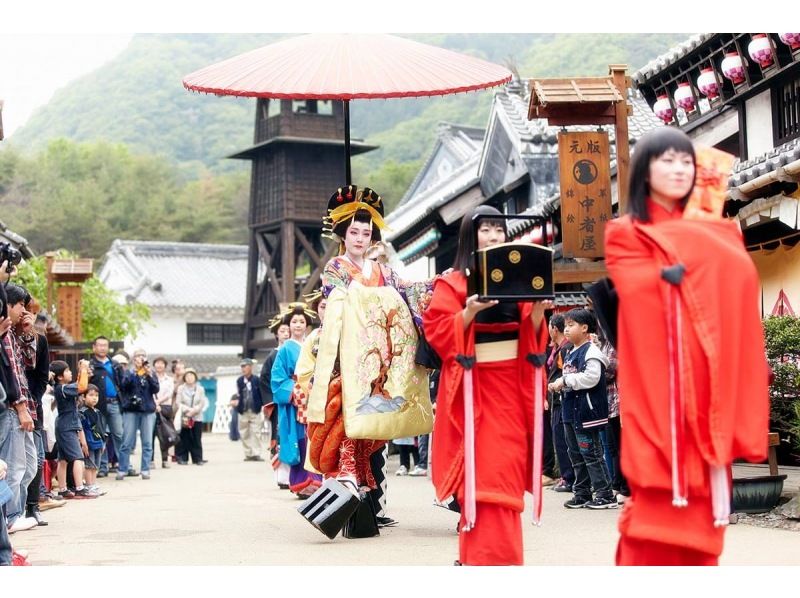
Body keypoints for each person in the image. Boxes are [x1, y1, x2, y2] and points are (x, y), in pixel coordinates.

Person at [604, 126, 769, 565]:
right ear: (644, 171)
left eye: (686, 162)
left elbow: (739, 278)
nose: (679, 169)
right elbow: (636, 289)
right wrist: (684, 263)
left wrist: (703, 244)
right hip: (663, 372)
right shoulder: (625, 230)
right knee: (658, 502)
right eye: (667, 161)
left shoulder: (715, 227)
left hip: (710, 366)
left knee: (703, 504)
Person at [423, 205, 552, 565]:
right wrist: (469, 313)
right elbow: (437, 334)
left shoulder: (521, 279)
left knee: (506, 472)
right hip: (472, 389)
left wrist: (540, 309)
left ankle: (501, 560)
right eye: (486, 230)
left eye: (498, 230)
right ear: (470, 237)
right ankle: (480, 559)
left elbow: (534, 339)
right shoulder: (452, 284)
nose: (494, 236)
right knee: (480, 476)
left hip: (510, 388)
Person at [307, 186, 434, 505]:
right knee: (347, 426)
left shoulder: (385, 272)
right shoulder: (335, 268)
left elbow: (409, 293)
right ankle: (348, 497)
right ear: (342, 234)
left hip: (380, 362)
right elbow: (336, 303)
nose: (360, 238)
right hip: (347, 360)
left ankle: (375, 504)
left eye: (366, 232)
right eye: (354, 231)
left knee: (375, 429)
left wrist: (439, 284)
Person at [548, 309, 615, 510]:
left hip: (586, 412)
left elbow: (592, 377)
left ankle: (605, 494)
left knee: (591, 454)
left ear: (585, 328)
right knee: (575, 454)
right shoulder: (570, 352)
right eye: (566, 326)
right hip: (571, 412)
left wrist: (565, 380)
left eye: (571, 325)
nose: (566, 330)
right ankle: (582, 492)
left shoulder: (591, 351)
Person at [271, 303, 321, 497]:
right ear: (288, 325)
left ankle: (317, 481)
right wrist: (295, 391)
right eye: (294, 321)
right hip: (297, 401)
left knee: (314, 440)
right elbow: (277, 378)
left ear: (307, 324)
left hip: (315, 394)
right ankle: (302, 484)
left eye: (302, 321)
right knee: (300, 441)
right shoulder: (284, 349)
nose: (298, 325)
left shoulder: (313, 344)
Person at [0, 284, 39, 531]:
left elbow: (29, 364)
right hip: (15, 406)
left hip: (23, 405)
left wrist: (27, 332)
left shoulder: (11, 334)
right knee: (14, 466)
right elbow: (10, 374)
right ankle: (11, 516)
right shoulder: (3, 335)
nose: (24, 311)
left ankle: (17, 512)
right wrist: (20, 406)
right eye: (21, 306)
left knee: (30, 465)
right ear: (8, 305)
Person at [50, 360, 97, 499]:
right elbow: (82, 387)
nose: (70, 373)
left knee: (63, 459)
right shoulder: (63, 388)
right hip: (67, 426)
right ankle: (80, 488)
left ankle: (63, 489)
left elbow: (79, 384)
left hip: (63, 425)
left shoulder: (63, 388)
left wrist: (82, 371)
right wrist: (82, 369)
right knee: (78, 458)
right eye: (67, 371)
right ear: (59, 376)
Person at [116, 349, 159, 481]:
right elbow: (123, 386)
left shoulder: (150, 373)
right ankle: (122, 469)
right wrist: (135, 373)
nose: (140, 358)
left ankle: (145, 469)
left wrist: (149, 375)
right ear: (133, 359)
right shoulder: (128, 372)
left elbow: (156, 389)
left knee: (147, 442)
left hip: (147, 411)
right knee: (127, 441)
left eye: (143, 356)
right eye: (138, 356)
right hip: (131, 410)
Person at [89, 336, 125, 478]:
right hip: (98, 406)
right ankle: (102, 467)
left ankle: (124, 465)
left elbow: (122, 383)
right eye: (100, 345)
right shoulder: (90, 366)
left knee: (119, 435)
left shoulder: (115, 365)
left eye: (105, 345)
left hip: (115, 403)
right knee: (101, 436)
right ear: (94, 347)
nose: (103, 348)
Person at [546, 314, 574, 493]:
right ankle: (566, 476)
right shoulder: (558, 348)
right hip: (556, 399)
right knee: (560, 438)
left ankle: (569, 477)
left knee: (562, 440)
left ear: (554, 329)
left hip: (561, 399)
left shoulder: (565, 349)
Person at [175, 368, 207, 465]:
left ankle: (198, 458)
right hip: (185, 416)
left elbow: (202, 402)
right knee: (185, 437)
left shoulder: (200, 389)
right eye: (187, 376)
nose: (189, 378)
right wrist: (187, 410)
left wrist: (194, 410)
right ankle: (183, 458)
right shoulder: (181, 388)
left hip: (197, 416)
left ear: (195, 377)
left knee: (196, 437)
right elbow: (178, 402)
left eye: (192, 376)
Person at [79, 384, 107, 494]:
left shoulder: (98, 412)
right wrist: (83, 443)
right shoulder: (82, 412)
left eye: (96, 395)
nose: (94, 398)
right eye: (91, 395)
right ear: (84, 397)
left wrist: (103, 442)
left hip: (98, 442)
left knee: (96, 465)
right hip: (89, 443)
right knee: (89, 465)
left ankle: (94, 484)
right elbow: (81, 429)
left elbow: (101, 428)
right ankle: (89, 485)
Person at [152, 356, 175, 468]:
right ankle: (150, 461)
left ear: (165, 366)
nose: (159, 365)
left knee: (165, 433)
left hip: (165, 408)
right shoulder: (150, 377)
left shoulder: (169, 379)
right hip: (152, 407)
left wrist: (158, 402)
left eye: (162, 363)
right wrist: (155, 404)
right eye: (157, 363)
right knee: (150, 434)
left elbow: (169, 393)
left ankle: (165, 459)